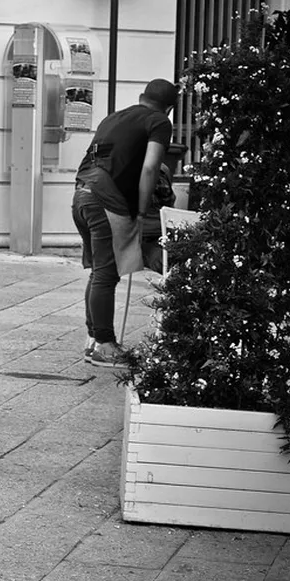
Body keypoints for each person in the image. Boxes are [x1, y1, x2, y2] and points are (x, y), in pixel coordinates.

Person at [72, 78, 179, 368]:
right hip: (106, 201)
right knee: (107, 275)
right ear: (170, 108)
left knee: (99, 271)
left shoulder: (114, 117)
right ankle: (105, 346)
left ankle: (94, 339)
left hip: (81, 195)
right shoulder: (159, 121)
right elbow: (150, 167)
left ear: (142, 96)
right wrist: (142, 211)